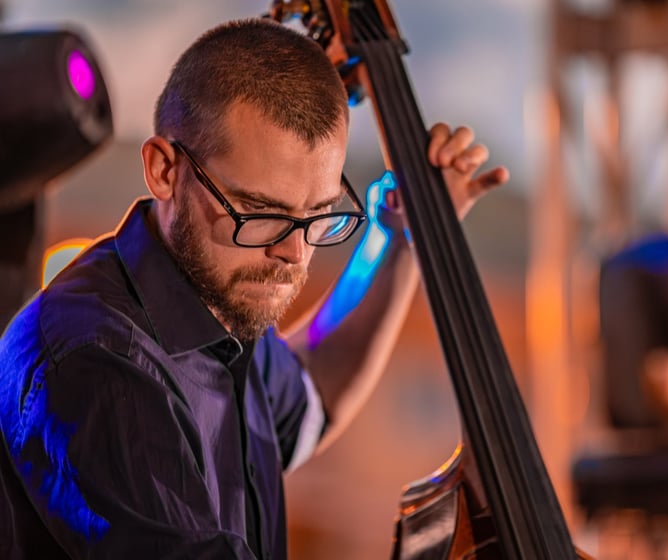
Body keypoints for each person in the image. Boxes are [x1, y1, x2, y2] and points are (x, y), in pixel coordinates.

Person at [0, 16, 508, 560]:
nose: (294, 254)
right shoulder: (98, 361)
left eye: (319, 216)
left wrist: (400, 239)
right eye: (261, 213)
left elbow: (313, 391)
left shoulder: (218, 302)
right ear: (165, 170)